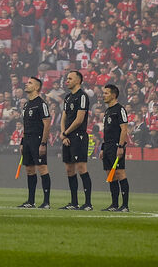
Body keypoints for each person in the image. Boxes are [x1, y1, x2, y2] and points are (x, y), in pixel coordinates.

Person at [59, 70, 93, 210]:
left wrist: (66, 133)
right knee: (69, 169)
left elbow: (79, 120)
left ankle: (88, 203)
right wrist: (63, 134)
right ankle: (74, 202)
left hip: (78, 136)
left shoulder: (82, 96)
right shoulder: (67, 97)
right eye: (67, 78)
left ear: (78, 80)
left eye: (70, 78)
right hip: (67, 136)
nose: (67, 81)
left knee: (81, 168)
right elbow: (63, 117)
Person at [18, 76, 53, 209]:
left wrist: (43, 143)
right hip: (27, 139)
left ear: (37, 87)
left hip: (37, 140)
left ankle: (46, 202)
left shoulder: (41, 104)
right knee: (29, 169)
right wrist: (22, 141)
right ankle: (30, 201)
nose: (26, 85)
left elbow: (47, 124)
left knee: (42, 168)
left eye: (30, 83)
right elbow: (25, 125)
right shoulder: (26, 104)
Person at [101, 83, 131, 212]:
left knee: (120, 173)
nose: (104, 95)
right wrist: (102, 148)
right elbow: (106, 131)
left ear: (113, 95)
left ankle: (125, 206)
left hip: (116, 146)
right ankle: (114, 205)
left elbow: (124, 129)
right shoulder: (107, 111)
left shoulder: (120, 109)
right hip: (107, 146)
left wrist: (120, 146)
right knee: (111, 175)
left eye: (106, 93)